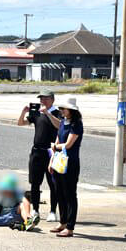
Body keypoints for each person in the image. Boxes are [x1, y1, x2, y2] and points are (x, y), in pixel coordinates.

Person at [18, 90, 62, 221]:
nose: (42, 101)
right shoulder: (36, 113)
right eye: (41, 99)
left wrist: (47, 113)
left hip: (51, 152)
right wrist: (24, 112)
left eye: (45, 98)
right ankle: (36, 210)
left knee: (53, 183)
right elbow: (20, 123)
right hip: (37, 151)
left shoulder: (57, 113)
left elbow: (60, 126)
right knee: (35, 183)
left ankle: (53, 211)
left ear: (52, 100)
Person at [50, 96, 83, 237]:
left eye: (63, 109)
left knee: (70, 193)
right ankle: (63, 221)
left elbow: (68, 144)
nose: (61, 111)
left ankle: (70, 226)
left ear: (70, 110)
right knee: (59, 192)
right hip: (59, 161)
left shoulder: (77, 124)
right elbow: (58, 139)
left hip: (71, 162)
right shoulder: (63, 122)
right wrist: (51, 160)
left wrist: (55, 146)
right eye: (60, 109)